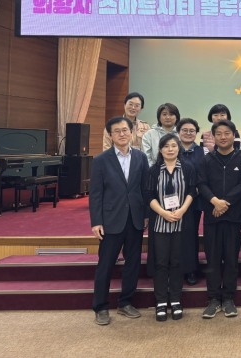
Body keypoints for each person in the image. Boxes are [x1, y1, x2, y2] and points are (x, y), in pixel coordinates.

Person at [90, 116, 149, 326]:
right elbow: (95, 193)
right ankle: (101, 307)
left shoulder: (141, 157)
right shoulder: (100, 160)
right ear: (110, 135)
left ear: (131, 132)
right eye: (117, 131)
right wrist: (96, 221)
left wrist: (145, 215)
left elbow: (144, 188)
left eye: (125, 130)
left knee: (133, 263)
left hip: (134, 219)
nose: (122, 134)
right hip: (110, 220)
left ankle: (126, 302)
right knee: (105, 265)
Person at [198, 120, 241, 319]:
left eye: (227, 133)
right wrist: (215, 201)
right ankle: (213, 298)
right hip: (212, 216)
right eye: (218, 133)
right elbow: (201, 183)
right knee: (212, 259)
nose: (223, 137)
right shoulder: (206, 159)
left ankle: (228, 298)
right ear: (213, 136)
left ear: (234, 135)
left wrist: (225, 203)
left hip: (234, 217)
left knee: (231, 258)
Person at [145, 133, 195, 322]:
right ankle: (160, 301)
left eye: (173, 145)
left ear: (179, 148)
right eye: (166, 146)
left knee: (176, 261)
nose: (170, 149)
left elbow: (192, 190)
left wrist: (182, 210)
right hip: (160, 223)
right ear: (160, 150)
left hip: (181, 222)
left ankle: (175, 299)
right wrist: (163, 213)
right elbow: (149, 195)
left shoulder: (188, 168)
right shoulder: (154, 170)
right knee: (160, 262)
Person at [177, 118, 205, 286]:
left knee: (191, 236)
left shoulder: (201, 152)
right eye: (185, 130)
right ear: (178, 132)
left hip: (195, 200)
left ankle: (191, 270)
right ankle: (176, 270)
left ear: (196, 133)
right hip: (173, 201)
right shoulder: (173, 148)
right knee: (176, 236)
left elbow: (204, 175)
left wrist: (195, 192)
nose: (188, 133)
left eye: (192, 131)